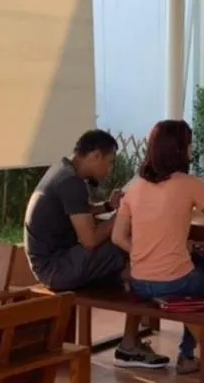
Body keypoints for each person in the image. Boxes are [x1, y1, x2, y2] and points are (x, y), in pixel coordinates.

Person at [24, 130, 167, 369]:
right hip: (56, 269)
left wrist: (108, 206)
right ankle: (131, 342)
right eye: (110, 162)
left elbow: (78, 211)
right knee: (131, 248)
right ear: (95, 156)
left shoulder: (62, 170)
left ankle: (131, 335)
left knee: (130, 253)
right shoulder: (70, 183)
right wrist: (123, 214)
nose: (109, 170)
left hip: (52, 263)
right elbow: (90, 240)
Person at [113, 120, 204, 375]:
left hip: (140, 281)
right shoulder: (189, 183)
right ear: (179, 148)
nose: (193, 149)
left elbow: (117, 237)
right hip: (176, 282)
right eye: (189, 143)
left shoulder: (135, 188)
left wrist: (144, 254)